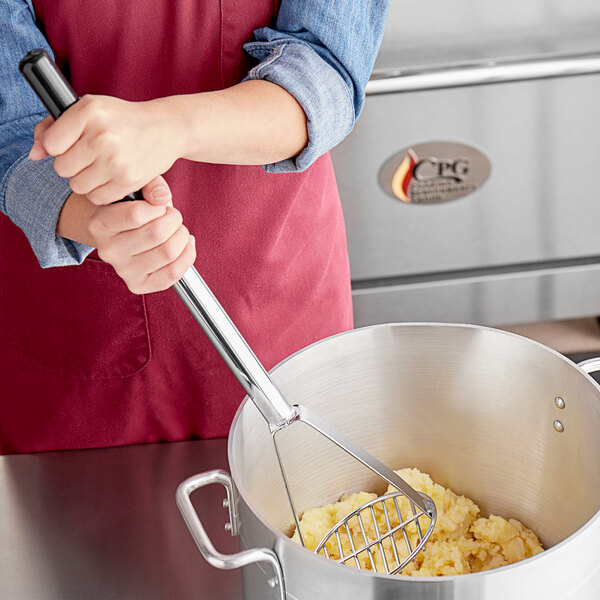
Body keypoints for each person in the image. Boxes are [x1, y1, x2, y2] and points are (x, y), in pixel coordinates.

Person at [0, 0, 390, 454]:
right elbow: (12, 126)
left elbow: (325, 67)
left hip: (280, 296)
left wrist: (169, 126)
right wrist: (96, 219)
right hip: (79, 343)